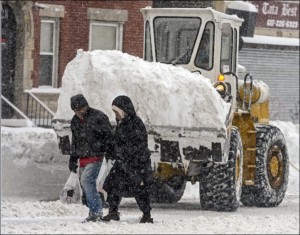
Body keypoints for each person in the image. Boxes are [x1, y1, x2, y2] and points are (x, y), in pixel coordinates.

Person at [102, 95, 154, 223]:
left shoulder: (136, 124)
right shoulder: (122, 123)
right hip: (122, 163)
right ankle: (113, 211)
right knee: (113, 185)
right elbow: (118, 142)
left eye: (117, 112)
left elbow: (138, 146)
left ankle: (147, 215)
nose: (116, 115)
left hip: (136, 163)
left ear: (124, 110)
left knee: (139, 188)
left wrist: (127, 156)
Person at [68, 94, 114, 223]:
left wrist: (108, 152)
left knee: (87, 181)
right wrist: (73, 159)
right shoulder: (75, 121)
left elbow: (109, 136)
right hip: (83, 157)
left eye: (81, 109)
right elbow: (75, 141)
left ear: (86, 106)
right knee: (86, 184)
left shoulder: (98, 117)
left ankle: (96, 212)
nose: (79, 112)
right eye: (76, 110)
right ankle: (93, 211)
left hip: (96, 156)